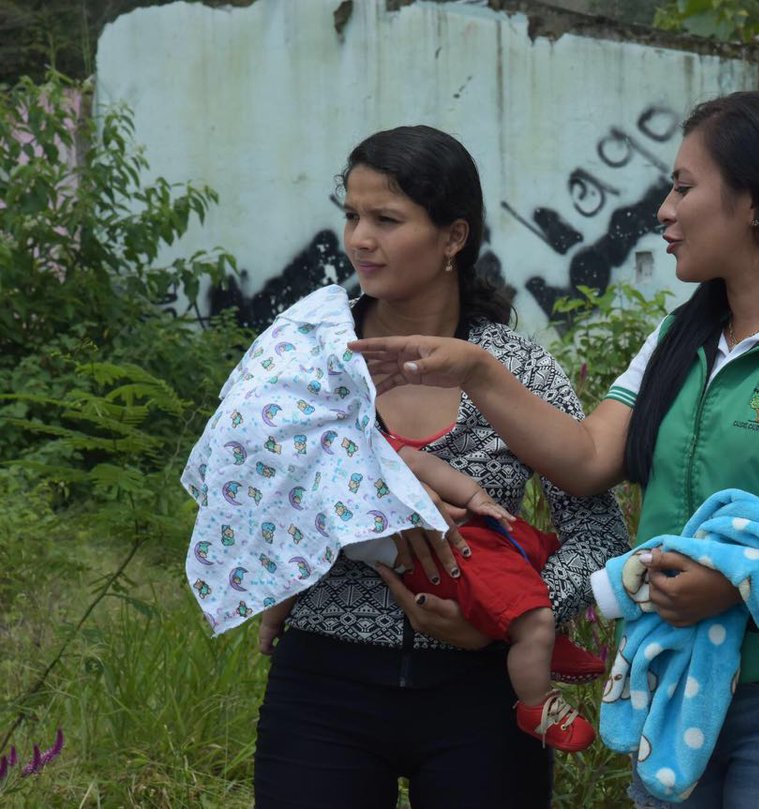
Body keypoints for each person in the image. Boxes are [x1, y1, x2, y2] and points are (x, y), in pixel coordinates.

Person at [351, 91, 759, 808]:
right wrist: (477, 370)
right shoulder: (682, 337)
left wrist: (741, 583)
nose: (663, 209)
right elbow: (583, 457)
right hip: (679, 690)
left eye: (685, 187)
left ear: (752, 202)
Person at [252, 125, 629, 809]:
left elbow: (601, 537)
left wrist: (505, 612)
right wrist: (360, 516)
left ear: (453, 237)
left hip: (485, 692)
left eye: (386, 219)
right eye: (352, 215)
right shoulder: (308, 356)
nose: (359, 239)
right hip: (324, 687)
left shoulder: (515, 367)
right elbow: (253, 503)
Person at [256, 442, 598, 753]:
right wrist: (272, 618)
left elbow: (415, 461)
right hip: (446, 564)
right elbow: (298, 561)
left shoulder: (362, 444)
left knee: (534, 580)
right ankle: (536, 677)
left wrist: (474, 496)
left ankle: (538, 673)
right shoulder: (315, 495)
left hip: (466, 540)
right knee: (528, 613)